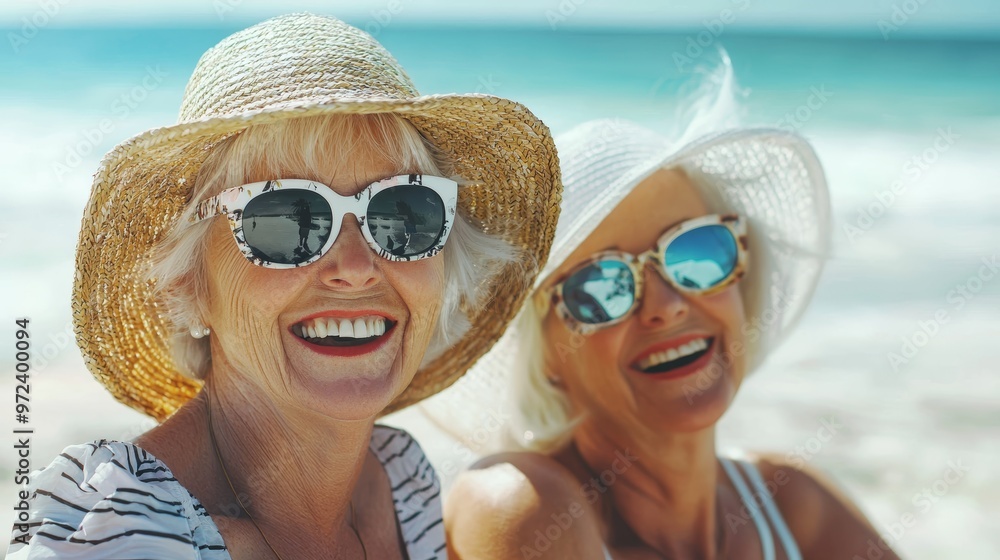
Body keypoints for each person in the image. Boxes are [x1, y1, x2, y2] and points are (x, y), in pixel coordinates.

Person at [8, 13, 561, 560]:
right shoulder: (124, 530)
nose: (356, 266)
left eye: (402, 211)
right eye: (287, 220)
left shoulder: (402, 479)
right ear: (188, 282)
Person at [441, 113, 900, 558]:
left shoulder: (792, 505)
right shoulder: (523, 507)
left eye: (696, 250)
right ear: (544, 354)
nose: (667, 305)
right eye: (603, 283)